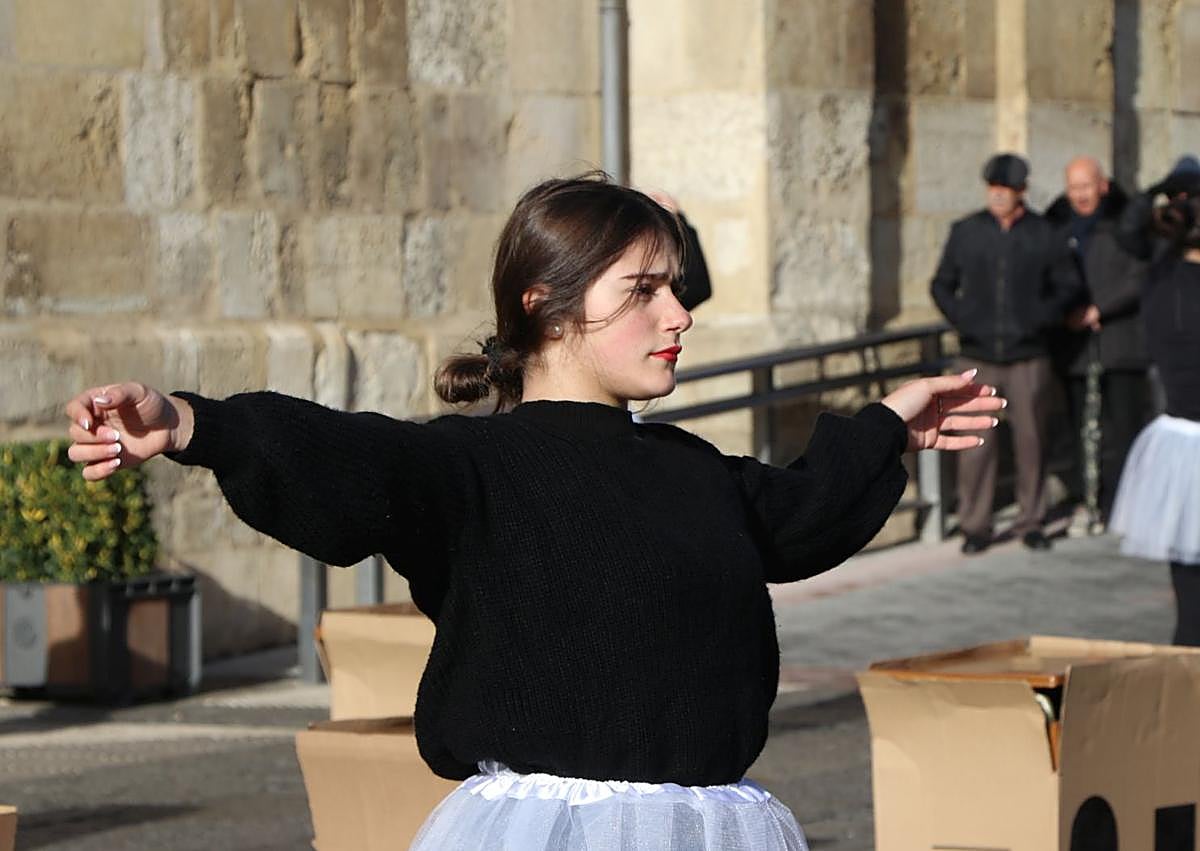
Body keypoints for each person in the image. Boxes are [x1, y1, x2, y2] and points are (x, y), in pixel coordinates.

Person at [64, 173, 1002, 849]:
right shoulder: (469, 467)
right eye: (644, 290)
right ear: (545, 304)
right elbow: (341, 457)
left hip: (714, 829)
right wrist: (192, 421)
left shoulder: (693, 469)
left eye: (679, 289)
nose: (679, 315)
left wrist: (888, 422)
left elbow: (799, 516)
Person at [931, 153, 1083, 555]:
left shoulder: (1044, 234)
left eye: (1006, 191)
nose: (997, 197)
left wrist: (1041, 318)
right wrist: (965, 318)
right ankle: (975, 525)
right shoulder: (966, 232)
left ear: (1021, 193)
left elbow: (1068, 285)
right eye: (993, 190)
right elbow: (942, 284)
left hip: (1029, 356)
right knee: (975, 443)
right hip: (978, 355)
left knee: (1033, 440)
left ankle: (1031, 520)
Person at [1110, 159, 1200, 647]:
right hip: (1189, 441)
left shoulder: (1159, 280)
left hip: (1179, 449)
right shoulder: (1164, 276)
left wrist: (1160, 190)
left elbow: (1129, 231)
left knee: (1190, 602)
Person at [1044, 156, 1149, 530]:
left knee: (1125, 428)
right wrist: (1065, 312)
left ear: (1102, 185)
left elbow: (1141, 275)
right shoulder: (1056, 223)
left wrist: (1100, 308)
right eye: (1073, 188)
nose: (1080, 195)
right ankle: (1088, 497)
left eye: (1086, 186)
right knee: (1079, 427)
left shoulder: (1127, 219)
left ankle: (1125, 500)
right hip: (1074, 345)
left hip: (1121, 343)